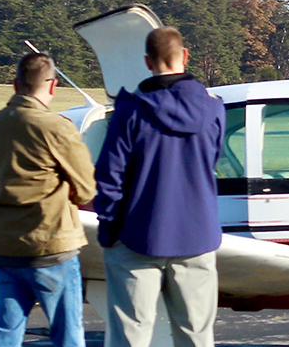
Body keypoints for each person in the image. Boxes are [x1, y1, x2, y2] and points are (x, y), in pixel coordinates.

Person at [92, 26, 226, 347]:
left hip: (139, 236)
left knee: (131, 336)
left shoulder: (131, 112)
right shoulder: (214, 109)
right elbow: (213, 160)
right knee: (196, 336)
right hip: (197, 235)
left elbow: (109, 178)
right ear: (185, 56)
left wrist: (109, 230)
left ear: (147, 62)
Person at [0, 53, 94, 347]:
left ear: (15, 84)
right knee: (67, 334)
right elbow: (86, 188)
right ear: (53, 85)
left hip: (5, 245)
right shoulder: (55, 126)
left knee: (6, 334)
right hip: (50, 245)